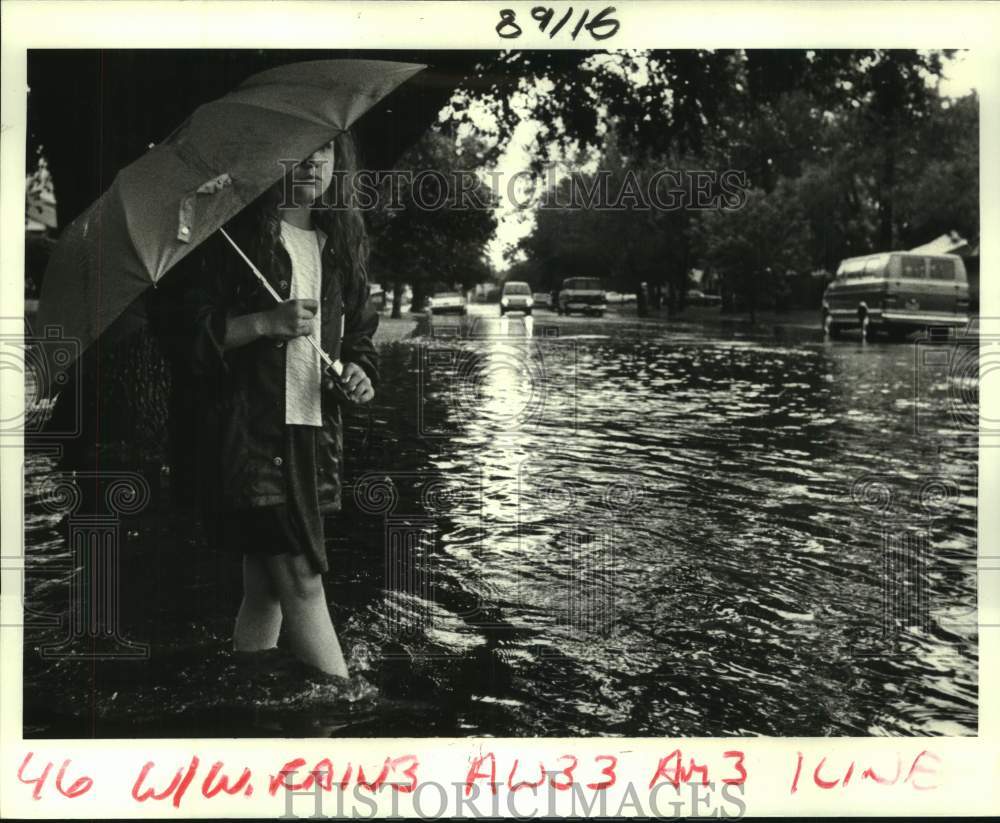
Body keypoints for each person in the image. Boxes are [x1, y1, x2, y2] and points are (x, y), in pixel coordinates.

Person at [150, 131, 378, 678]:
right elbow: (182, 337)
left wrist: (362, 375)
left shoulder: (338, 248)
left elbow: (363, 340)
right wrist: (263, 323)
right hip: (251, 437)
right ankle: (343, 706)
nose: (311, 163)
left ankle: (247, 693)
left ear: (337, 163)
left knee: (266, 588)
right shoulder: (235, 242)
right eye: (298, 150)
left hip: (316, 438)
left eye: (324, 151)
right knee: (302, 578)